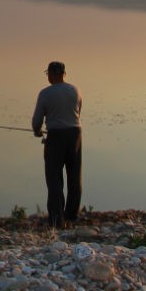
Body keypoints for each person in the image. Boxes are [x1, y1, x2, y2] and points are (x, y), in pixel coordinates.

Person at [31, 60, 82, 229]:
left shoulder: (45, 93)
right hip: (75, 134)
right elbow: (78, 111)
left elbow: (37, 119)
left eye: (48, 74)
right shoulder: (75, 90)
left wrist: (37, 130)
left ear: (52, 75)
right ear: (64, 74)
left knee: (54, 178)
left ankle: (56, 219)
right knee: (74, 175)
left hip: (56, 136)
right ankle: (72, 214)